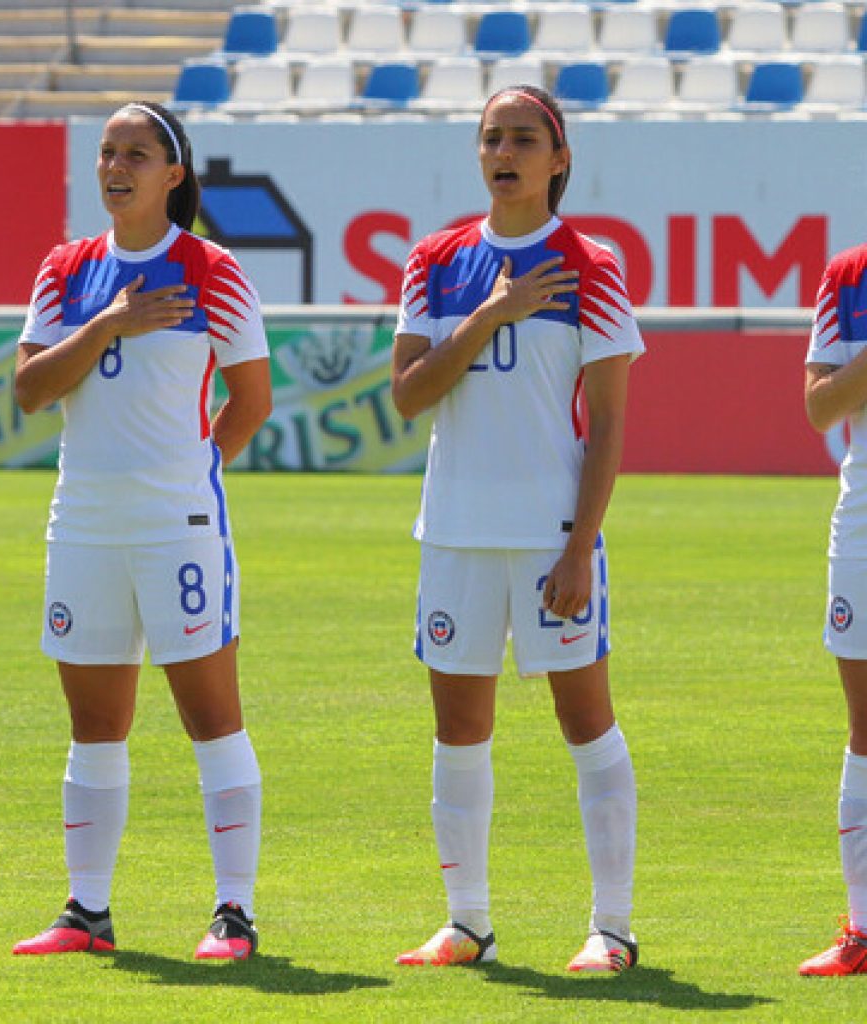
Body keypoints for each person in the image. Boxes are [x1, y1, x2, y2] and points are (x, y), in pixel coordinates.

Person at [390, 85, 644, 972]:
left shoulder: (593, 262)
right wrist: (491, 313)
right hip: (455, 534)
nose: (505, 152)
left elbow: (609, 421)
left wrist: (580, 545)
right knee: (458, 732)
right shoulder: (435, 259)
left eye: (524, 138)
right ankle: (468, 924)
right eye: (492, 137)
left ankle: (611, 928)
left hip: (550, 535)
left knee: (587, 724)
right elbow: (410, 394)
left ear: (558, 158)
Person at [11, 102, 271, 961]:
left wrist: (195, 478)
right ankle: (87, 912)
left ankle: (234, 913)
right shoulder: (65, 269)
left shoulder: (214, 270)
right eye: (106, 152)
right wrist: (107, 324)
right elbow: (30, 390)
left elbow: (252, 398)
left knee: (211, 719)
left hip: (177, 526)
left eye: (136, 153)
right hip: (82, 521)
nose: (116, 166)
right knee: (94, 726)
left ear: (174, 174)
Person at [800, 245, 867, 976]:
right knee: (866, 727)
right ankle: (863, 929)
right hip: (864, 526)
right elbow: (820, 406)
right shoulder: (849, 276)